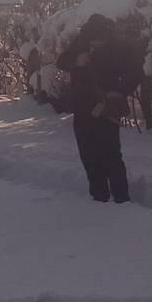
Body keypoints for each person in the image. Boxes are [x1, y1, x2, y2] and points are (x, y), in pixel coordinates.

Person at [56, 13, 144, 202]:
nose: (97, 44)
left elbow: (136, 72)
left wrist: (119, 91)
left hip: (107, 106)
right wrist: (76, 61)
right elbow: (61, 61)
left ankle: (122, 198)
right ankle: (99, 197)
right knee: (88, 154)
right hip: (82, 106)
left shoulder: (120, 47)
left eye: (101, 41)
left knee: (111, 154)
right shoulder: (81, 43)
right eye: (94, 40)